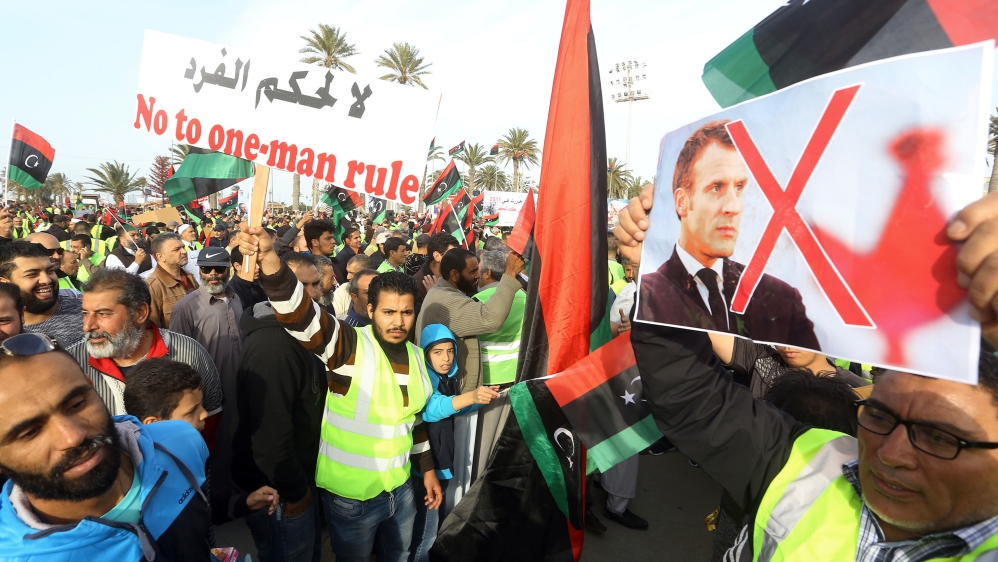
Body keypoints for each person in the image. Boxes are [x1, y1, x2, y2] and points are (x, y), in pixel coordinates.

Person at [617, 188, 998, 561]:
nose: (893, 454)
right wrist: (664, 278)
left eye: (939, 437)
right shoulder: (810, 463)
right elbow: (695, 402)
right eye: (880, 416)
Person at [237, 226, 442, 562]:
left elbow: (413, 418)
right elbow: (299, 312)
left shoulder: (419, 357)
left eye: (406, 312)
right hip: (351, 501)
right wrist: (270, 258)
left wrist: (428, 468)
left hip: (401, 490)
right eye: (389, 312)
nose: (398, 322)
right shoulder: (347, 346)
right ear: (370, 309)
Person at [0, 334, 212, 561]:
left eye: (77, 404)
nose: (73, 437)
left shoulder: (180, 441)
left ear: (93, 390)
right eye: (30, 432)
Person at [633, 121, 818, 349]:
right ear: (683, 201)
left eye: (739, 187)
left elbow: (815, 376)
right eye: (716, 187)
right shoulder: (650, 292)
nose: (733, 206)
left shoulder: (781, 298)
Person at [233, 258, 329, 562]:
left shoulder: (305, 330)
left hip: (301, 478)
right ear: (273, 290)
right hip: (279, 492)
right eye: (302, 286)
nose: (313, 293)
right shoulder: (273, 346)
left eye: (316, 284)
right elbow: (270, 436)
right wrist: (296, 491)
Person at [68, 268, 223, 448]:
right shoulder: (71, 364)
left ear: (140, 313)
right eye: (85, 313)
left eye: (103, 314)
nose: (88, 326)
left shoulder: (188, 351)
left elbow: (212, 416)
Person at [123, 357, 278, 526]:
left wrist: (245, 502)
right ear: (153, 424)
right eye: (191, 411)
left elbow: (203, 510)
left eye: (201, 405)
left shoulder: (192, 454)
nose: (204, 414)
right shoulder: (133, 487)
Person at [410, 323, 500, 562]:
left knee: (432, 525)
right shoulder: (426, 381)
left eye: (450, 351)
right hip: (427, 469)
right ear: (425, 353)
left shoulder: (445, 378)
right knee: (425, 532)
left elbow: (453, 408)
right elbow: (432, 409)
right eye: (437, 352)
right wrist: (470, 395)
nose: (446, 358)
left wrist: (480, 400)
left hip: (442, 463)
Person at [169, 246, 244, 501]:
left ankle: (241, 496)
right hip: (211, 399)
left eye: (219, 269)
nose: (213, 274)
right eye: (206, 269)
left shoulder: (239, 298)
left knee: (241, 445)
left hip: (243, 390)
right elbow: (178, 361)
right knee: (217, 451)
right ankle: (221, 504)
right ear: (199, 270)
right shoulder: (185, 308)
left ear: (229, 270)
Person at [709, 333, 870, 399]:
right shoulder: (762, 359)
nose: (787, 346)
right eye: (780, 335)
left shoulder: (857, 390)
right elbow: (704, 326)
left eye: (798, 336)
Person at [0, 240, 84, 346]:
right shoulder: (5, 332)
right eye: (32, 274)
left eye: (50, 271)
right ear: (4, 282)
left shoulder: (89, 315)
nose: (46, 280)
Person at [146, 232, 196, 329]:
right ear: (161, 257)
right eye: (177, 249)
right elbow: (153, 330)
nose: (184, 251)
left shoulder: (189, 277)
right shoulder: (153, 286)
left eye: (183, 247)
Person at [412, 233, 459, 310]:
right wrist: (433, 297)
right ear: (437, 256)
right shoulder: (417, 284)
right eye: (452, 255)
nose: (456, 259)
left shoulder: (454, 276)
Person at [228, 246, 268, 311]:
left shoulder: (256, 284)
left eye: (258, 262)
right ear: (237, 266)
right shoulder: (232, 291)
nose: (258, 267)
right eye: (252, 264)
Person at [334, 254, 373, 318]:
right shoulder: (343, 289)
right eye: (348, 272)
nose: (348, 277)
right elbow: (335, 315)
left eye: (352, 273)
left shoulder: (381, 291)